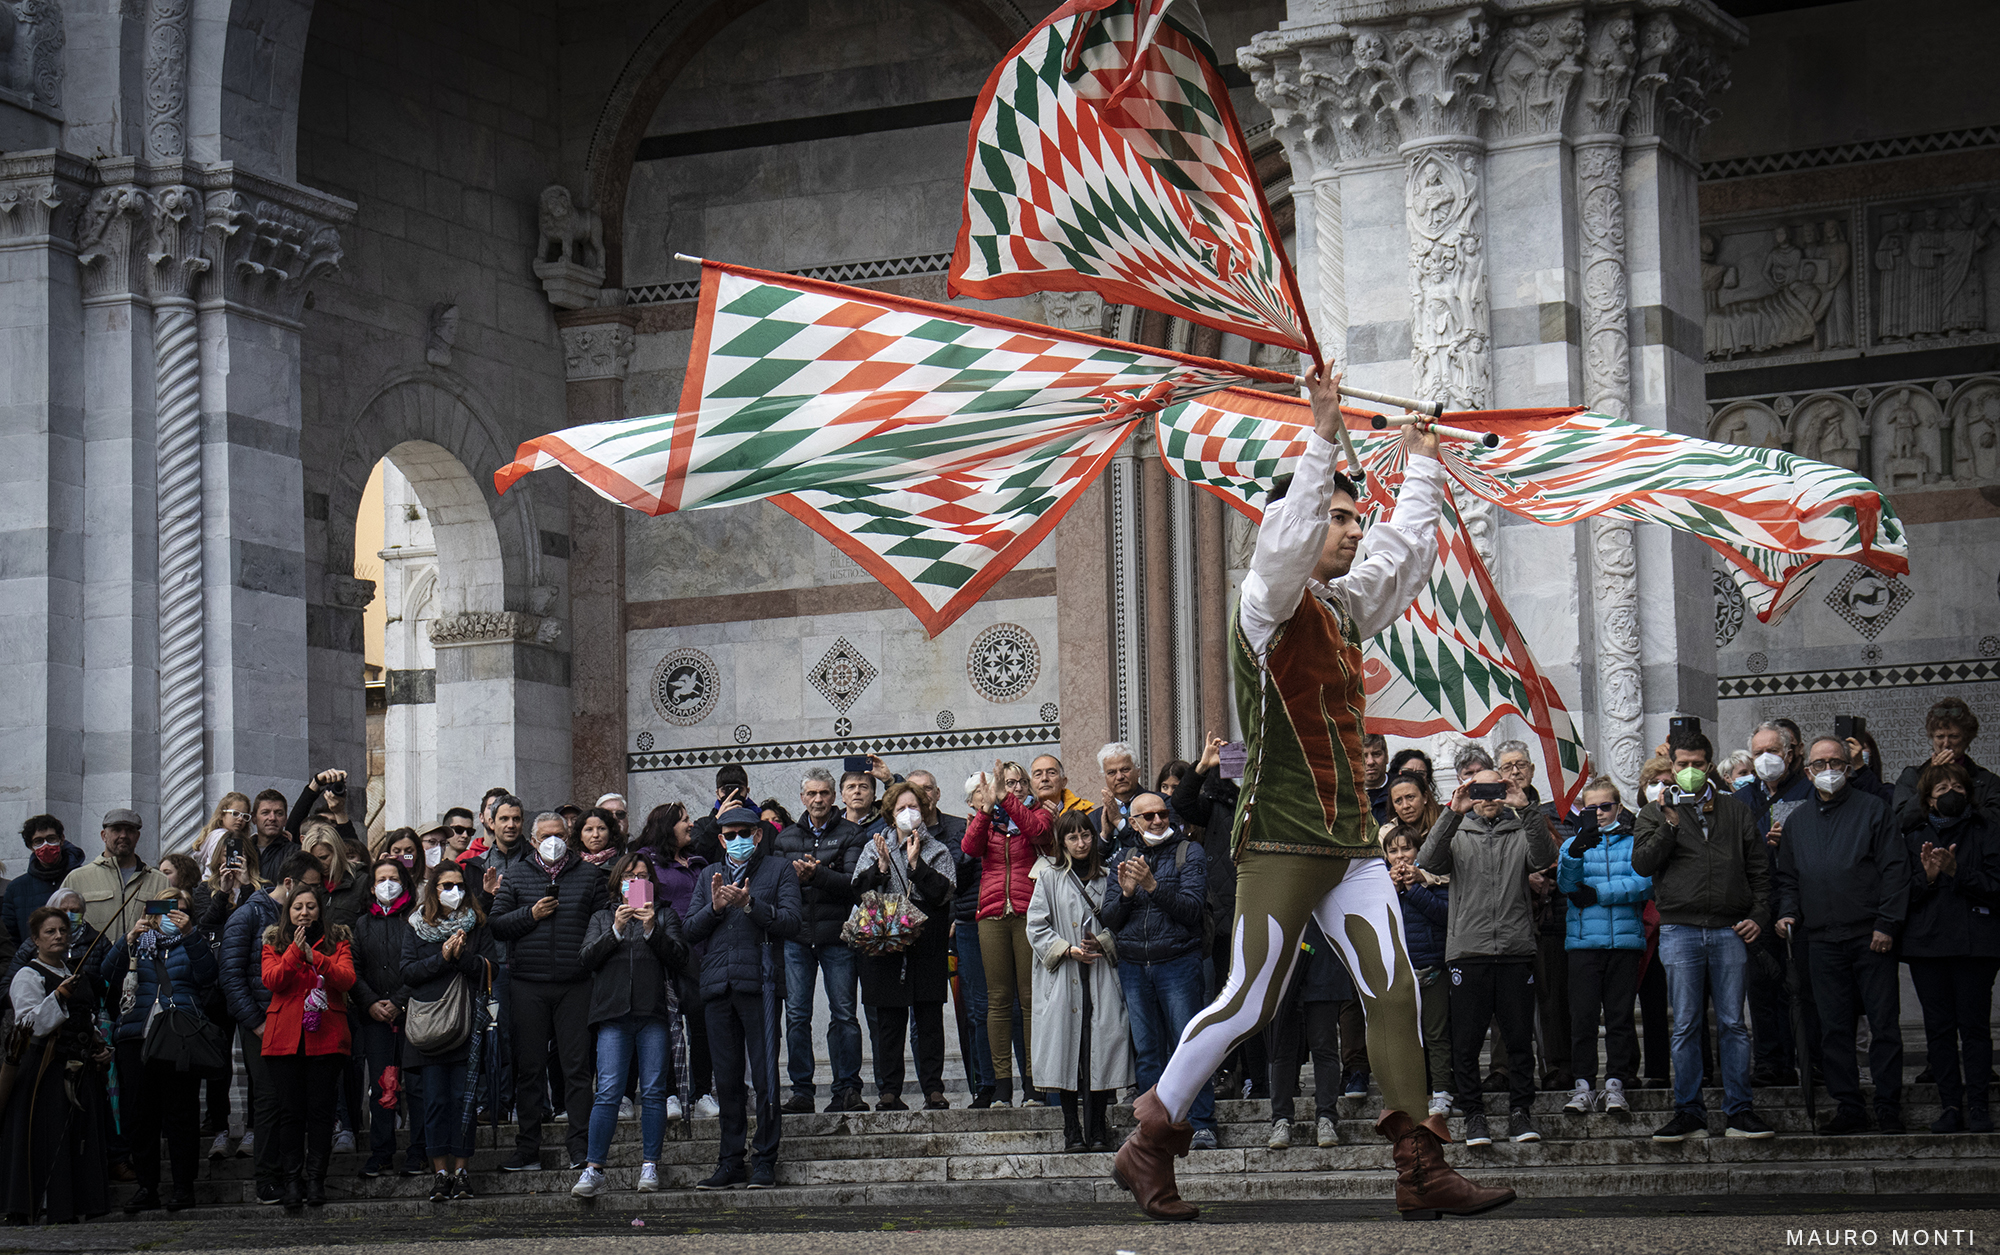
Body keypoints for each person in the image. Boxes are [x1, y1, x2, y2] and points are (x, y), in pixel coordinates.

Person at [1115, 366, 1513, 1224]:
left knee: (1394, 986)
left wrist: (1422, 462)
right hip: (1282, 839)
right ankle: (1149, 1136)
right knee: (1250, 1000)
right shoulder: (1264, 603)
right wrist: (1323, 435)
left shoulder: (1339, 609)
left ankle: (1419, 1165)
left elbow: (1404, 552)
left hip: (1350, 840)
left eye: (1352, 516)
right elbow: (1285, 542)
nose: (1349, 530)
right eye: (1338, 516)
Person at [1633, 750, 1776, 1142]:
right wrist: (1670, 823)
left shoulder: (1735, 810)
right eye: (1682, 765)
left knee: (1733, 1023)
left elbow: (1759, 870)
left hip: (1729, 928)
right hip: (1680, 928)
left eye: (1698, 763)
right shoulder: (1654, 811)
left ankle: (1739, 1111)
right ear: (1672, 769)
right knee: (1685, 1024)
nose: (1690, 771)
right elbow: (1643, 864)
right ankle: (1689, 1111)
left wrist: (1758, 916)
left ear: (1710, 765)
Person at [1775, 736, 1910, 1135]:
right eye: (1820, 764)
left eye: (1836, 762)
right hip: (1821, 940)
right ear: (1807, 770)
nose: (1828, 770)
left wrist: (1887, 924)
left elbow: (1895, 871)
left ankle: (1888, 1106)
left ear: (1849, 768)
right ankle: (1848, 1105)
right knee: (1834, 1028)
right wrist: (1786, 913)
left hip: (1871, 937)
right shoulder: (1797, 822)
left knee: (1884, 1025)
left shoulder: (1874, 811)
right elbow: (1788, 879)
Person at [1419, 768, 1558, 1146]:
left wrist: (1525, 806)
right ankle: (1474, 1116)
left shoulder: (1519, 828)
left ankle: (1520, 1112)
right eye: (1481, 788)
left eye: (1495, 787)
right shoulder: (1458, 831)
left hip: (1514, 949)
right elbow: (1428, 862)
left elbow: (1545, 857)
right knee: (1465, 1042)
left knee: (1517, 1039)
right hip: (1469, 951)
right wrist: (1454, 810)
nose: (1489, 795)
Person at [684, 806, 803, 1190]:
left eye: (744, 833)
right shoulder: (707, 876)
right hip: (718, 986)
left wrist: (751, 906)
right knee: (727, 1079)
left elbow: (791, 922)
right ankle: (730, 1160)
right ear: (720, 839)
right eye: (729, 834)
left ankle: (765, 1158)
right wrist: (716, 907)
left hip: (762, 983)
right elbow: (688, 930)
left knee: (766, 1075)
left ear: (757, 835)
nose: (737, 840)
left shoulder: (779, 870)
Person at [492, 810, 607, 1171]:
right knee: (529, 1069)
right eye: (545, 836)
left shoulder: (589, 876)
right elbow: (496, 924)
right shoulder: (516, 875)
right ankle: (527, 1149)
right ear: (533, 840)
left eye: (559, 834)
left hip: (575, 983)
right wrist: (531, 914)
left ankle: (580, 1148)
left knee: (576, 1069)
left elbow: (602, 920)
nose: (553, 841)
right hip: (528, 984)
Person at [572, 851, 690, 1198]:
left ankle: (650, 1164)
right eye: (629, 876)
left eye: (642, 876)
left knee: (653, 1091)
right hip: (612, 1014)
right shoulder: (601, 916)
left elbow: (680, 957)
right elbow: (586, 958)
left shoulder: (665, 915)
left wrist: (652, 928)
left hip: (652, 1012)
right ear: (618, 883)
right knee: (608, 1091)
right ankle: (594, 1169)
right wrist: (616, 930)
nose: (636, 882)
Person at [1100, 790, 1215, 1146]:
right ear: (1133, 823)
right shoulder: (1123, 855)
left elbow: (1192, 909)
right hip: (1135, 967)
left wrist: (1152, 886)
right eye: (1147, 816)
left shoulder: (1189, 851)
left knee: (1188, 1047)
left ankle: (1201, 1123)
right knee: (1147, 1051)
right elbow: (1109, 919)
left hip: (1178, 962)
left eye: (1162, 813)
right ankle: (1155, 1128)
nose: (1157, 821)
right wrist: (1127, 895)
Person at [101, 886, 215, 1213]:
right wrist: (128, 940)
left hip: (179, 1035)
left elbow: (208, 976)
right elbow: (106, 975)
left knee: (181, 1114)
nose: (171, 915)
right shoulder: (138, 945)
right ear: (151, 912)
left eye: (179, 909)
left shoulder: (193, 942)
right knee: (141, 1115)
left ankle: (183, 1187)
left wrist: (190, 934)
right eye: (164, 908)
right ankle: (147, 1186)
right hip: (136, 1036)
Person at [1902, 761, 2000, 1133]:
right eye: (1941, 790)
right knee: (1938, 1029)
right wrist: (1927, 877)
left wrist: (1958, 872)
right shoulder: (1914, 836)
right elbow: (1900, 894)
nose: (1950, 794)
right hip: (1928, 946)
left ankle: (1978, 1105)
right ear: (1927, 800)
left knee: (1973, 1028)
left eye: (1956, 788)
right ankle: (1949, 1106)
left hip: (1976, 946)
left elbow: (1996, 884)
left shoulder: (1986, 830)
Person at [222, 850, 323, 1203]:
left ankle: (294, 1175)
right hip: (261, 1025)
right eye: (308, 889)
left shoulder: (307, 920)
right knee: (268, 1101)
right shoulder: (248, 915)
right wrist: (256, 1023)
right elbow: (232, 976)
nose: (313, 899)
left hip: (298, 1025)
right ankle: (267, 1178)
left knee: (293, 1103)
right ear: (289, 884)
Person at [1026, 810, 1131, 1151]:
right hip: (1064, 975)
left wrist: (1104, 942)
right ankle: (1072, 1129)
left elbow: (1122, 922)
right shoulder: (1049, 877)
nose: (1081, 842)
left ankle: (1098, 1129)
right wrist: (1068, 950)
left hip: (1101, 972)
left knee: (1100, 1048)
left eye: (1085, 835)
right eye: (1072, 837)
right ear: (1062, 841)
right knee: (1067, 1051)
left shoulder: (1107, 877)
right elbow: (1036, 926)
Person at [2, 905, 113, 1223]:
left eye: (63, 931)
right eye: (50, 931)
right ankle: (46, 1207)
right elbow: (28, 1025)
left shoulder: (73, 974)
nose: (58, 936)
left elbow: (86, 1023)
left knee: (80, 1140)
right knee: (46, 1140)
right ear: (35, 938)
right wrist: (58, 998)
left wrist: (101, 1048)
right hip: (43, 1072)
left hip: (80, 1070)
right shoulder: (28, 975)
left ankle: (77, 1204)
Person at [852, 781, 957, 1110]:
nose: (908, 813)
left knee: (928, 1017)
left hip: (927, 941)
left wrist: (916, 866)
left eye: (914, 807)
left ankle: (933, 1089)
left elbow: (944, 892)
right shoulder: (875, 845)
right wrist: (881, 867)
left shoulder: (937, 849)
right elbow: (859, 889)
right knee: (889, 1021)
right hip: (887, 937)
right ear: (890, 813)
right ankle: (889, 1091)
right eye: (900, 808)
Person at [772, 768, 867, 1115]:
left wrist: (818, 874)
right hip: (797, 938)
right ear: (802, 798)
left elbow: (854, 883)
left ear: (834, 796)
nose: (818, 800)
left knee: (844, 1014)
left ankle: (848, 1088)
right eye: (811, 794)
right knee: (797, 1016)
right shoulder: (785, 840)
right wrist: (797, 880)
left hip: (837, 937)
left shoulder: (852, 834)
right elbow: (778, 888)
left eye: (824, 793)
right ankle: (801, 1091)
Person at [400, 861, 496, 1202]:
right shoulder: (415, 925)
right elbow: (407, 971)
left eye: (458, 885)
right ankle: (439, 1172)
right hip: (429, 1024)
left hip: (466, 1023)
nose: (452, 892)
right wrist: (441, 957)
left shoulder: (477, 924)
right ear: (433, 890)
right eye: (445, 885)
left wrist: (461, 956)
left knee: (463, 1100)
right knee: (435, 1101)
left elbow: (490, 967)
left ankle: (462, 1170)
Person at [259, 881, 357, 1209]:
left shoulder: (337, 938)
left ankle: (315, 1180)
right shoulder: (274, 939)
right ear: (288, 910)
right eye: (297, 906)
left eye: (310, 906)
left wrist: (316, 957)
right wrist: (293, 953)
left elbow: (346, 979)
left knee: (320, 1112)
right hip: (285, 1040)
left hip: (326, 1038)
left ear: (320, 909)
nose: (304, 912)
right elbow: (272, 980)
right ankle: (291, 1183)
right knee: (290, 1113)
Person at [964, 760, 1056, 1108]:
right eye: (1007, 782)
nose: (1013, 787)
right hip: (990, 914)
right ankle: (1003, 1086)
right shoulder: (985, 819)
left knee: (1030, 999)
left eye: (1019, 782)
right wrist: (988, 807)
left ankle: (1034, 1084)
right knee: (998, 1000)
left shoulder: (1041, 813)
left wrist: (1006, 798)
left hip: (1028, 913)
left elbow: (1037, 833)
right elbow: (970, 849)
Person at [1556, 777, 1649, 1117]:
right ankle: (1583, 1084)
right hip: (1583, 943)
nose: (1598, 813)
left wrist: (1599, 894)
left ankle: (1615, 1084)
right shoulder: (1573, 844)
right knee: (1582, 1017)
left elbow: (1644, 883)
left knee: (1620, 1017)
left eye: (1605, 807)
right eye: (1590, 808)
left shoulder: (1633, 840)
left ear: (1618, 807)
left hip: (1624, 941)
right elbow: (1566, 884)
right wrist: (1577, 851)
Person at [1739, 720, 1814, 1086]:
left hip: (1800, 902)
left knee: (1803, 989)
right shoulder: (1742, 798)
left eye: (1772, 751)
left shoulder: (1809, 790)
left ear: (1790, 752)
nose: (1765, 758)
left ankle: (1810, 1062)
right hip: (1757, 904)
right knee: (1762, 988)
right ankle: (1770, 1062)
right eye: (1758, 753)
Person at [638, 802, 715, 1118]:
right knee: (666, 1027)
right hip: (660, 955)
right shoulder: (644, 862)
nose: (690, 825)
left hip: (698, 956)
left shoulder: (698, 863)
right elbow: (637, 903)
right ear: (667, 826)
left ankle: (702, 1093)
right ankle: (669, 1093)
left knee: (701, 1025)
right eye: (684, 820)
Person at [350, 855, 426, 1178]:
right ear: (371, 886)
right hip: (374, 1017)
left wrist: (398, 1001)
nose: (387, 884)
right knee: (382, 1086)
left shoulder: (415, 919)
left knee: (417, 1085)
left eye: (393, 878)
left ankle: (420, 1152)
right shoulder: (362, 924)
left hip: (413, 1014)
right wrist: (371, 1003)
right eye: (380, 879)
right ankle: (381, 1152)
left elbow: (421, 964)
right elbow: (353, 968)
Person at [1383, 826, 1451, 1116]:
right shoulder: (1380, 886)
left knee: (1436, 1033)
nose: (1400, 857)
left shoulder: (1433, 881)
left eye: (1406, 849)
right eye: (1393, 850)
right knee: (1405, 1036)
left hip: (1431, 965)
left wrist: (1413, 890)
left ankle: (1442, 1092)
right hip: (1399, 971)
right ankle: (1409, 1092)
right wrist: (1391, 890)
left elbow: (1444, 914)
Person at [61, 809, 171, 939]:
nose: (123, 835)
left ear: (138, 836)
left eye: (130, 830)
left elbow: (168, 929)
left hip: (144, 958)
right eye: (116, 830)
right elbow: (62, 927)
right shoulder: (76, 879)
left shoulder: (160, 881)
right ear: (103, 835)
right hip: (97, 958)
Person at [1895, 697, 2000, 831]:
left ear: (1966, 738)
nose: (1946, 743)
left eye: (1954, 736)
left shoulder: (1987, 781)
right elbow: (1901, 821)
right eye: (1940, 737)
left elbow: (1995, 822)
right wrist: (1929, 780)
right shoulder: (1912, 775)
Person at [2, 816, 85, 977]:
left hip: (78, 967)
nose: (46, 846)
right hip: (34, 972)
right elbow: (10, 940)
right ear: (30, 846)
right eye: (38, 841)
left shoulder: (80, 878)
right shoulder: (16, 889)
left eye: (51, 839)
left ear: (62, 840)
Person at [1362, 734, 1392, 823]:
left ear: (1386, 757)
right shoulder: (1344, 795)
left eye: (1376, 754)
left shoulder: (1401, 790)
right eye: (1363, 756)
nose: (1370, 762)